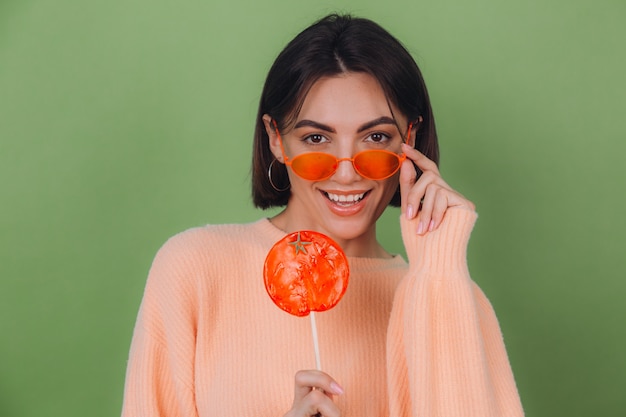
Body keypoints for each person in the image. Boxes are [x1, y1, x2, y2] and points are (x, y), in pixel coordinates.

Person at [121, 14, 524, 417]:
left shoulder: (456, 299)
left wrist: (439, 273)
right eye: (316, 139)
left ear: (410, 139)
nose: (346, 172)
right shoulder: (195, 270)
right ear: (277, 139)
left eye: (376, 137)